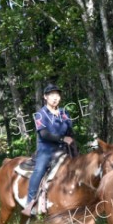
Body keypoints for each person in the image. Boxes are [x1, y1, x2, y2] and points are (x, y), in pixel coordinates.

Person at [21, 84, 75, 217]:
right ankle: (30, 203)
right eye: (51, 95)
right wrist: (63, 138)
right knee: (39, 170)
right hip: (46, 150)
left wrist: (73, 145)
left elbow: (70, 132)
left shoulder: (64, 113)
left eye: (57, 95)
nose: (55, 98)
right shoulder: (40, 114)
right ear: (45, 97)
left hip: (63, 150)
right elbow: (44, 134)